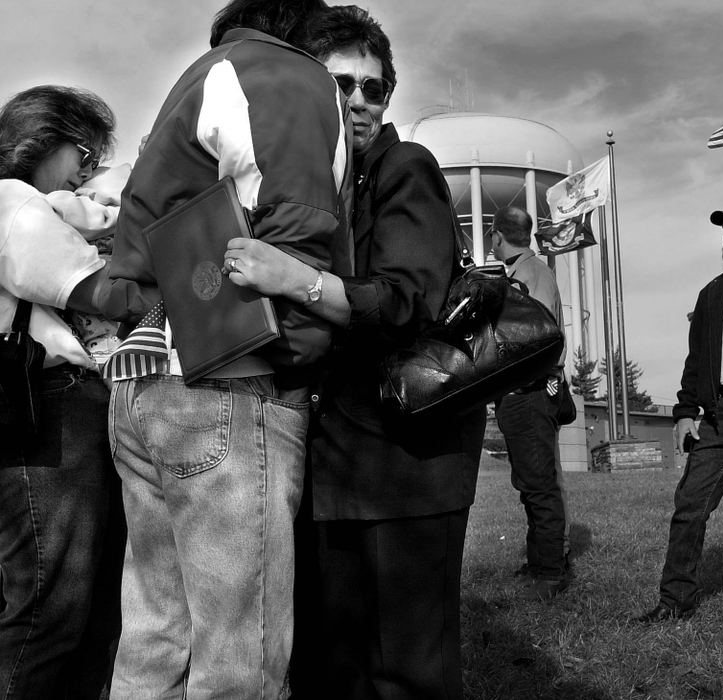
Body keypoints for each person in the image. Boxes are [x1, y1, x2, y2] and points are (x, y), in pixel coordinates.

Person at [225, 6, 484, 698]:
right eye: (342, 84)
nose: (360, 102)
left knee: (402, 671)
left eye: (374, 88)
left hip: (403, 464)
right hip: (333, 459)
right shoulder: (315, 187)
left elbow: (406, 300)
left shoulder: (403, 166)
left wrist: (296, 280)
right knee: (333, 667)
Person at [102, 1, 352, 696]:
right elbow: (295, 224)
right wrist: (296, 359)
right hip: (232, 383)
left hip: (147, 381)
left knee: (155, 636)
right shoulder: (283, 77)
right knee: (239, 661)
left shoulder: (195, 82)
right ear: (310, 31)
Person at [0, 85, 126, 700]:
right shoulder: (14, 201)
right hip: (49, 409)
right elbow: (97, 291)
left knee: (74, 604)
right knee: (53, 604)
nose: (86, 171)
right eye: (84, 152)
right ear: (41, 140)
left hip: (46, 410)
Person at [637, 197, 723, 624]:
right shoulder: (712, 292)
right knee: (689, 507)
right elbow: (696, 357)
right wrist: (684, 411)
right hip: (717, 415)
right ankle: (675, 602)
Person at [489, 205, 571, 602]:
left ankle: (551, 573)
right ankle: (541, 560)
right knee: (531, 483)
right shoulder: (531, 272)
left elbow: (535, 337)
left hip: (531, 392)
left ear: (496, 236)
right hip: (526, 393)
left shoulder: (526, 277)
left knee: (539, 486)